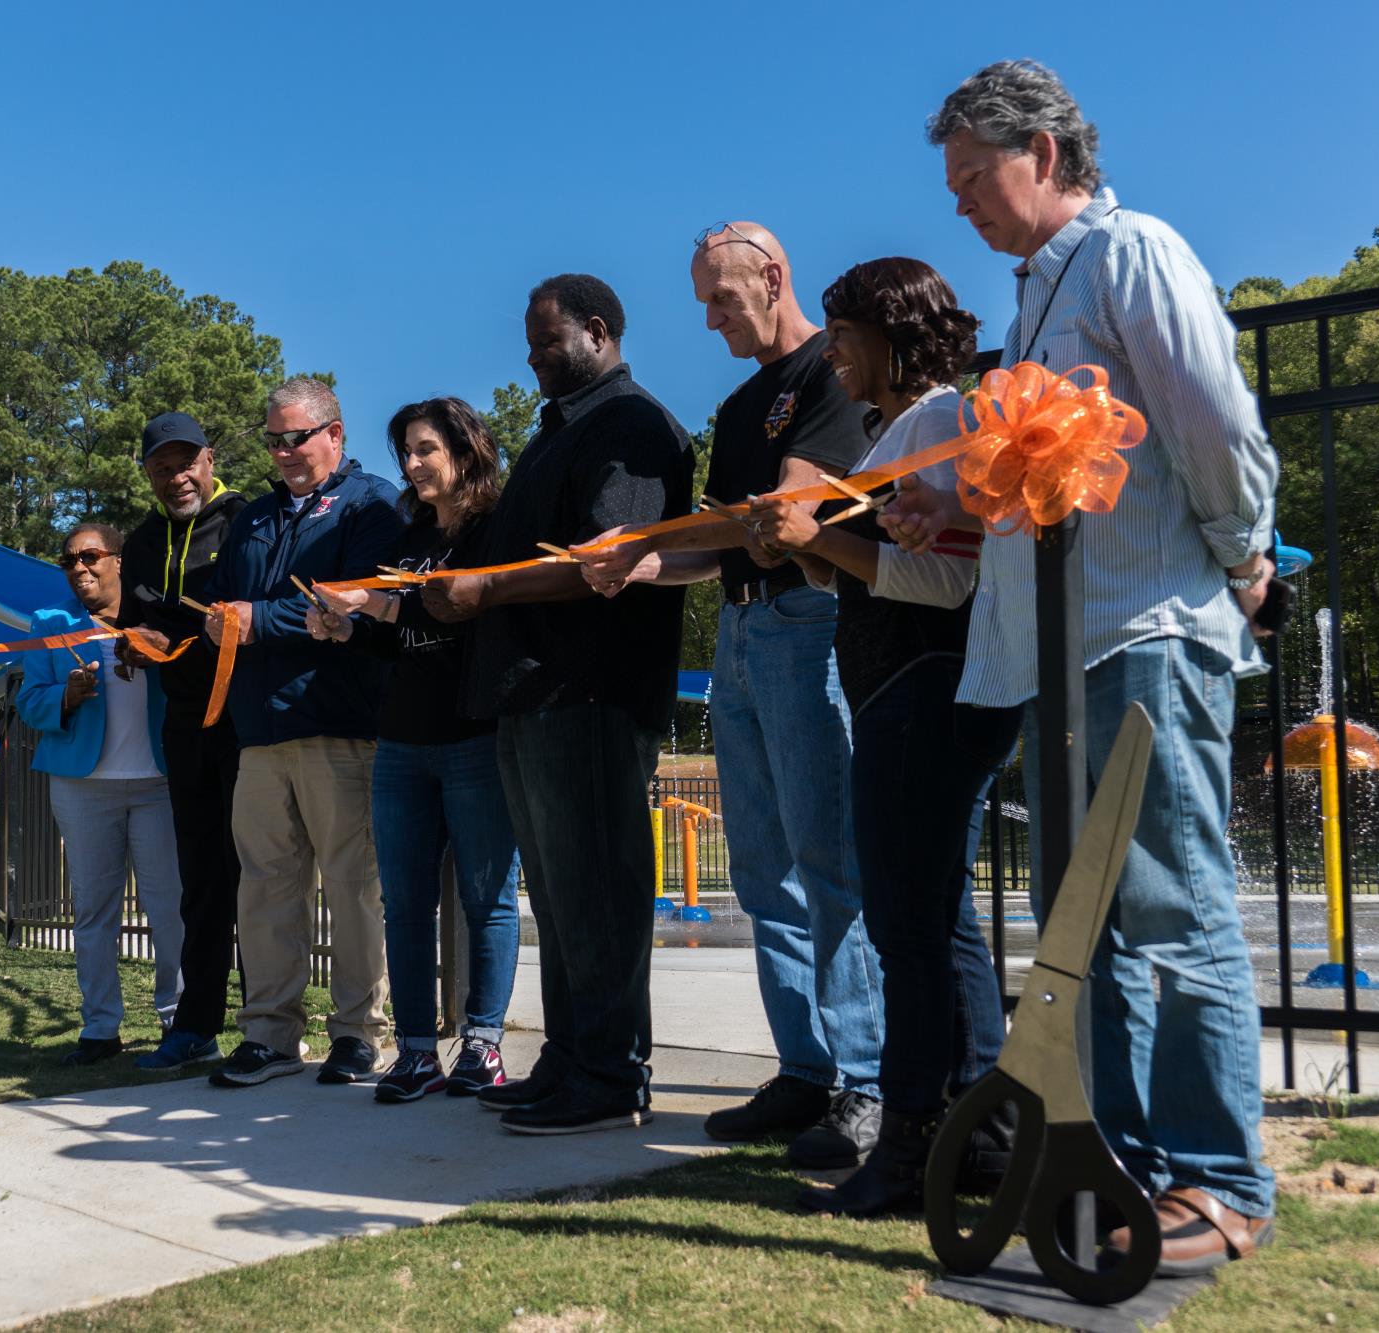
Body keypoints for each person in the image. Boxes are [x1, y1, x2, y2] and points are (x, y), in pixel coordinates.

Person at [878, 60, 1279, 1270]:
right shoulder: (1034, 306)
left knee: (1166, 905)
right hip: (1058, 649)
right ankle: (1126, 1166)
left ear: (1043, 154)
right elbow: (1048, 484)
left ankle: (1218, 1180)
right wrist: (943, 507)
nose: (959, 205)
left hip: (1143, 631)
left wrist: (1244, 552)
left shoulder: (1129, 254)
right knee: (1082, 928)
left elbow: (1209, 419)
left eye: (971, 179)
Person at [574, 223, 884, 1169]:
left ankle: (868, 1082)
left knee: (828, 860)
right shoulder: (742, 404)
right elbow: (719, 546)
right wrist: (633, 561)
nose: (710, 320)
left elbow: (792, 507)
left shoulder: (829, 373)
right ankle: (803, 1068)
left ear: (773, 276)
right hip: (745, 633)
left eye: (722, 298)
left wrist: (737, 531)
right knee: (760, 869)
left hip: (807, 624)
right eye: (703, 302)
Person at [747, 258, 1019, 1216]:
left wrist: (815, 537)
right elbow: (872, 572)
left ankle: (910, 1149)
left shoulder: (938, 422)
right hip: (900, 694)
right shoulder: (895, 432)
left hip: (922, 692)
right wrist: (803, 545)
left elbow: (947, 583)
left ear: (894, 333)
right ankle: (980, 1140)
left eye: (846, 335)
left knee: (912, 930)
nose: (834, 355)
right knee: (940, 922)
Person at [423, 274, 693, 1135]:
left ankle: (612, 1073)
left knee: (600, 889)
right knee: (560, 892)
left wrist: (484, 588)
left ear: (599, 332)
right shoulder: (559, 432)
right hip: (530, 692)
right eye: (531, 343)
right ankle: (572, 1058)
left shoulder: (631, 427)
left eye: (547, 342)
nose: (532, 358)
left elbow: (606, 562)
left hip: (590, 692)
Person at [305, 397, 520, 1104]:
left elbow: (475, 622)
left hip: (475, 736)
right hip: (402, 741)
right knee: (403, 903)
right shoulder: (409, 535)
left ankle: (482, 1044)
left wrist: (387, 608)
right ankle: (418, 1051)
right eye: (405, 451)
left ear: (467, 448)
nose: (412, 464)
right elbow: (396, 634)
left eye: (426, 448)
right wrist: (348, 629)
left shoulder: (499, 528)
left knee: (487, 899)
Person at [203, 376, 405, 1089]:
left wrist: (258, 621)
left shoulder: (373, 503)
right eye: (273, 439)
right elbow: (233, 602)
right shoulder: (251, 519)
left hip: (339, 725)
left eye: (297, 436)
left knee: (353, 885)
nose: (285, 451)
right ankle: (268, 1033)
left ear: (335, 434)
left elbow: (360, 600)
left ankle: (357, 1033)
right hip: (258, 732)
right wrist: (220, 621)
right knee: (265, 888)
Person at [16, 523, 184, 1065]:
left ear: (117, 561)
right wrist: (65, 697)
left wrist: (155, 652)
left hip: (159, 783)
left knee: (170, 909)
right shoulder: (49, 624)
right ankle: (100, 1028)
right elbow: (29, 704)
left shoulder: (156, 613)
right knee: (93, 911)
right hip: (83, 786)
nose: (79, 568)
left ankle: (176, 1020)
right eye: (68, 561)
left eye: (90, 556)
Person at [118, 411, 249, 1072]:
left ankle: (269, 1025)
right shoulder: (140, 541)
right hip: (184, 725)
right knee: (201, 880)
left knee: (261, 873)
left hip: (248, 723)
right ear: (148, 474)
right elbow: (133, 628)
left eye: (184, 462)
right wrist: (134, 645)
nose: (176, 478)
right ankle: (197, 1025)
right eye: (160, 468)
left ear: (209, 457)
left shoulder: (247, 519)